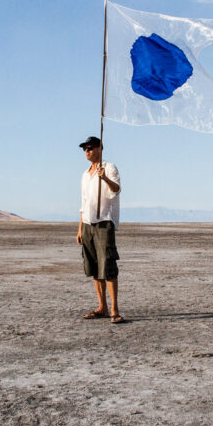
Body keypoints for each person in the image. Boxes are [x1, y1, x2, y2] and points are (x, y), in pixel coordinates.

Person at [76, 136, 124, 323]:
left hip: (104, 222)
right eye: (84, 149)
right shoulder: (85, 174)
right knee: (94, 266)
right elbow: (84, 202)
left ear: (99, 148)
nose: (87, 151)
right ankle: (102, 306)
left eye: (90, 147)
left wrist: (104, 178)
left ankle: (114, 310)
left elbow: (116, 189)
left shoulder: (109, 167)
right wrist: (80, 229)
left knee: (108, 266)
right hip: (88, 224)